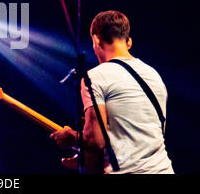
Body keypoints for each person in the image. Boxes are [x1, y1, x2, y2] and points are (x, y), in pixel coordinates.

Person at [50, 10, 174, 174]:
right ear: (128, 42)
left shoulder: (96, 77)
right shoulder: (154, 75)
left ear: (95, 40)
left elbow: (95, 141)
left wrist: (71, 136)